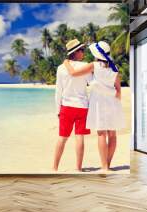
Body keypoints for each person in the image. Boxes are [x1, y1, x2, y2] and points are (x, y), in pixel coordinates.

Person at [63, 41, 125, 171]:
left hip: (99, 102)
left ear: (96, 54)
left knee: (101, 134)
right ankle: (108, 164)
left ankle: (104, 167)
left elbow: (73, 73)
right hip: (113, 102)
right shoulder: (114, 68)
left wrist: (66, 63)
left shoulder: (94, 65)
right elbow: (118, 91)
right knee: (112, 134)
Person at [53, 39, 93, 172]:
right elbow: (91, 83)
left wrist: (58, 110)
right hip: (82, 106)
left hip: (67, 106)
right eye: (82, 50)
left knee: (62, 138)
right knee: (79, 137)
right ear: (75, 52)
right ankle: (78, 168)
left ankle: (54, 168)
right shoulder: (85, 66)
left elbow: (59, 90)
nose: (83, 52)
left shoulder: (61, 68)